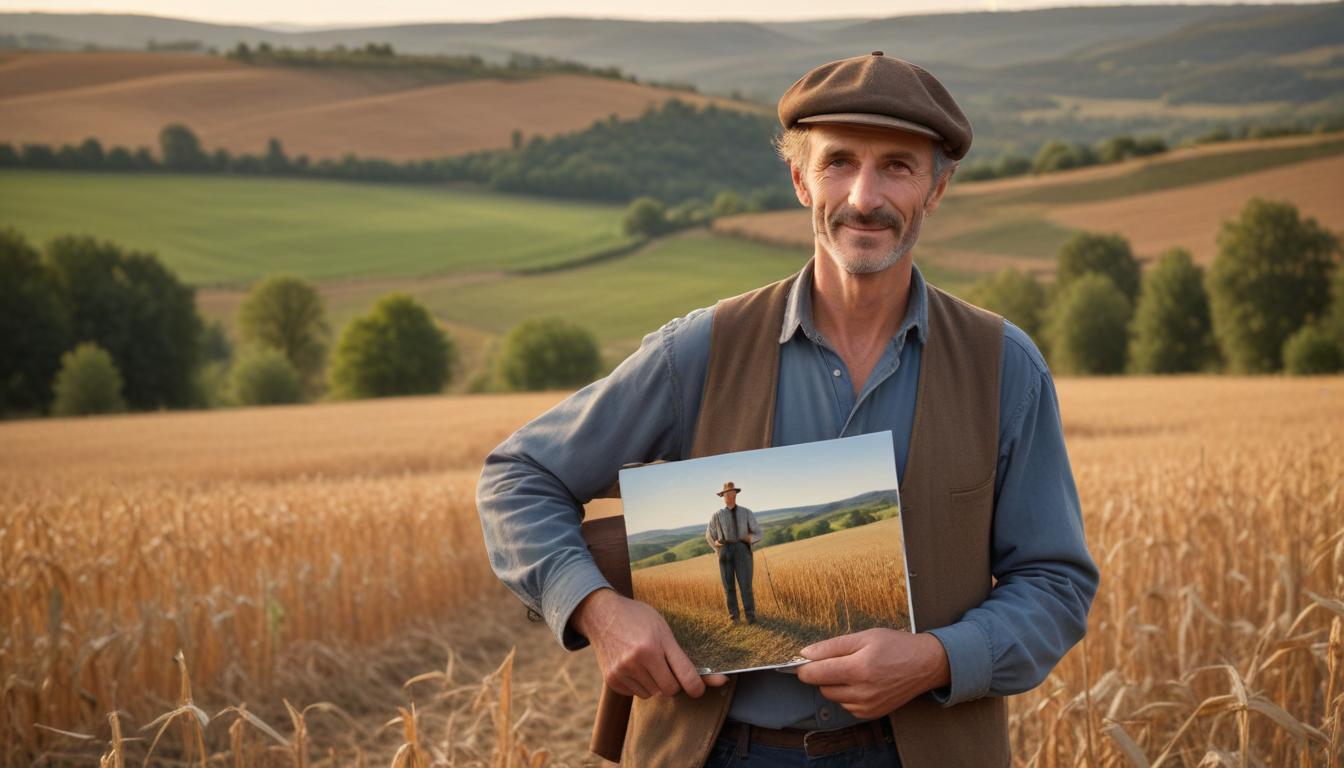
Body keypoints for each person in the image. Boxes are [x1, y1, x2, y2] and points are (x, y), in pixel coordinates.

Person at [477, 51, 1098, 767]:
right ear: (800, 179)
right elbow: (516, 477)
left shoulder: (1004, 366)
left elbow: (1055, 584)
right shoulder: (701, 350)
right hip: (718, 750)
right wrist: (600, 611)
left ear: (938, 186)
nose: (865, 196)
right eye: (839, 162)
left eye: (897, 165)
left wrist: (935, 658)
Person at [703, 482, 762, 624]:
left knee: (746, 586)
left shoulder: (746, 512)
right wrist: (717, 546)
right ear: (722, 496)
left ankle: (751, 616)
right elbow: (709, 535)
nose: (729, 496)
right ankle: (734, 618)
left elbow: (759, 533)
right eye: (726, 493)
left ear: (736, 494)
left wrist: (749, 539)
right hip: (725, 551)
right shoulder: (716, 515)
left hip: (743, 549)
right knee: (728, 587)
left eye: (731, 492)